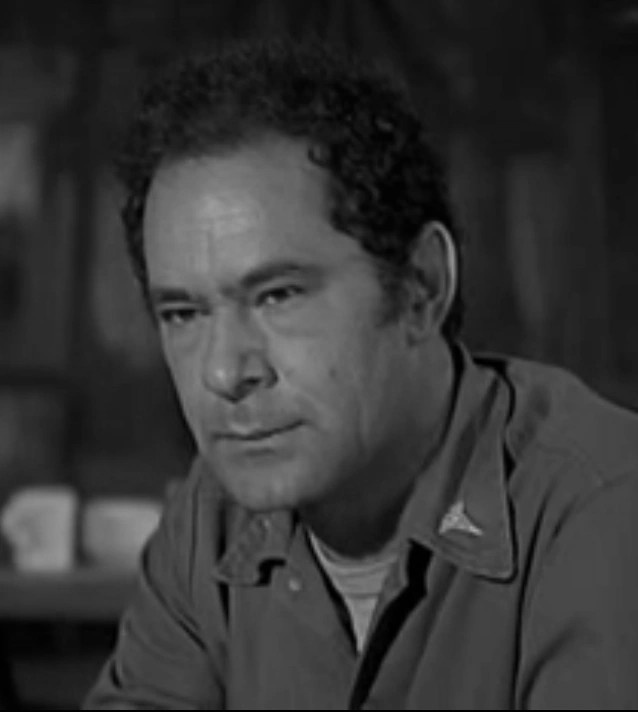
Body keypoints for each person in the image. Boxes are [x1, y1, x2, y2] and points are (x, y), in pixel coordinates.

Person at [83, 38, 638, 710]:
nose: (224, 371)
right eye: (183, 313)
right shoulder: (211, 522)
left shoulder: (606, 511)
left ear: (421, 287)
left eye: (278, 296)